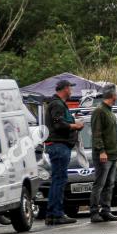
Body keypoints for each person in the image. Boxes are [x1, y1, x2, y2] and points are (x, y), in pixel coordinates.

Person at [44, 79, 84, 225]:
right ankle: (57, 213)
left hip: (59, 146)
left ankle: (52, 214)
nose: (71, 90)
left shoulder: (58, 104)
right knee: (59, 180)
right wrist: (76, 126)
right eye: (70, 88)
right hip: (59, 146)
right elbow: (59, 124)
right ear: (65, 88)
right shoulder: (57, 104)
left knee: (58, 180)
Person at [89, 84, 117, 223]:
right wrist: (101, 151)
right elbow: (97, 133)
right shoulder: (99, 111)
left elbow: (113, 135)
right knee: (100, 184)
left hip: (113, 154)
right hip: (104, 155)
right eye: (116, 94)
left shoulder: (110, 111)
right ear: (112, 95)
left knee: (110, 184)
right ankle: (94, 212)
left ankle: (106, 210)